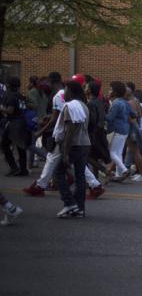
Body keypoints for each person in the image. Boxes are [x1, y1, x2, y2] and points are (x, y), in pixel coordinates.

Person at [53, 80, 91, 218]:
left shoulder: (71, 106)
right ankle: (80, 208)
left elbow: (70, 130)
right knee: (80, 176)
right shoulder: (83, 106)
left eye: (66, 90)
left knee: (58, 172)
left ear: (72, 91)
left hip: (74, 145)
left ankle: (69, 203)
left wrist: (65, 152)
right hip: (85, 143)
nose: (64, 93)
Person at [1, 76, 31, 176]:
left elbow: (10, 110)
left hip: (14, 123)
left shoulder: (11, 96)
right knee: (20, 147)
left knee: (4, 144)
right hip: (22, 122)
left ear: (9, 85)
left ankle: (14, 167)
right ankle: (23, 170)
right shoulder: (21, 96)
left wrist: (1, 107)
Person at [106, 81, 134, 182]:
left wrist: (102, 115)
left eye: (110, 89)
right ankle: (118, 174)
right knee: (118, 153)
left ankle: (124, 170)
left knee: (112, 152)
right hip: (125, 129)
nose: (109, 91)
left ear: (115, 91)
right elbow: (134, 114)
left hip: (117, 130)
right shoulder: (125, 102)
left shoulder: (116, 103)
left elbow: (110, 118)